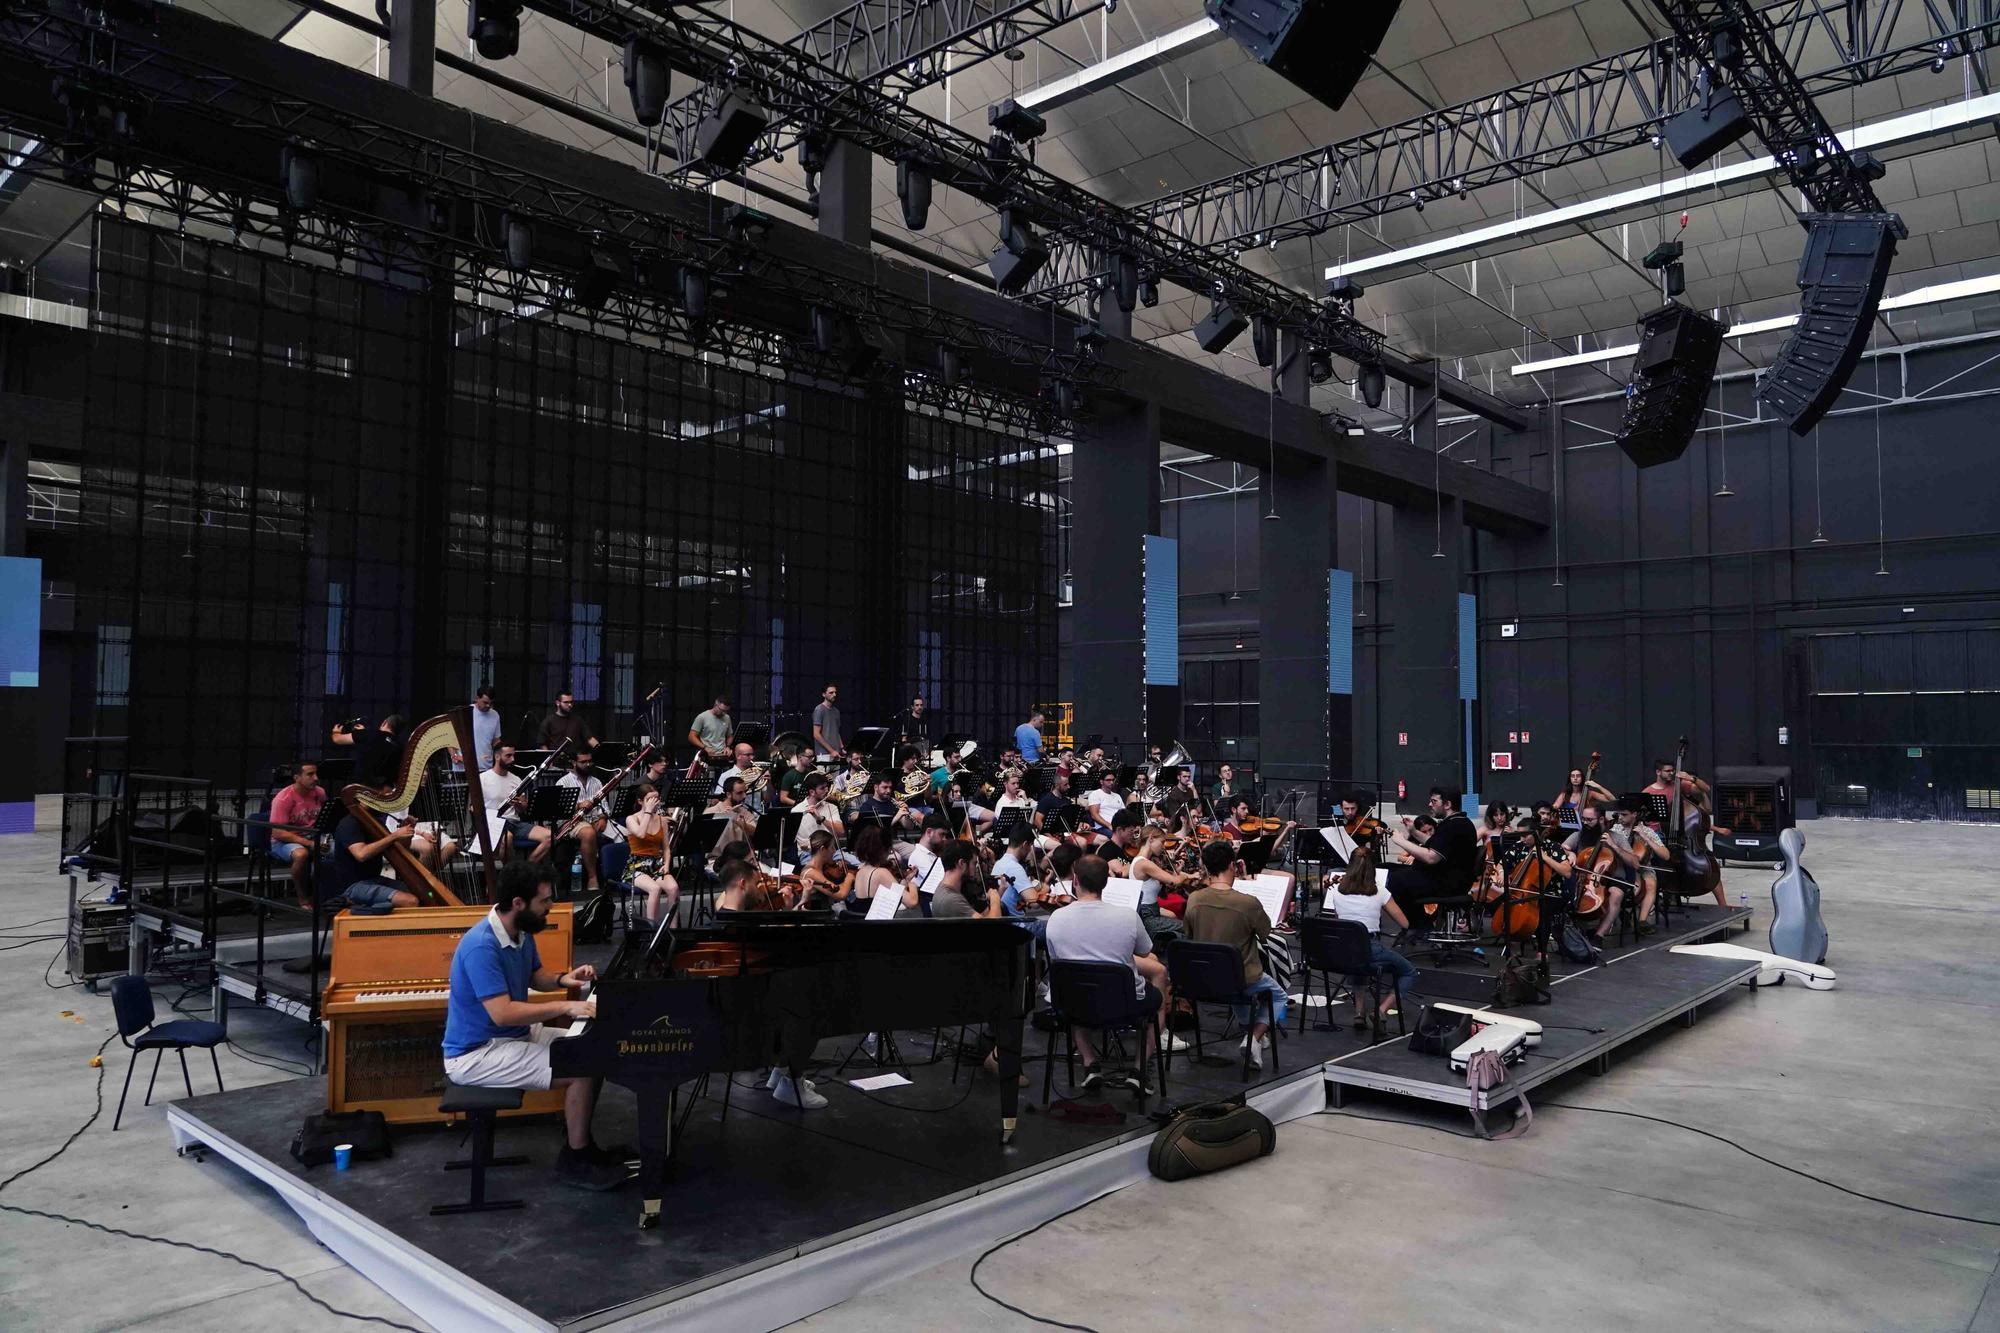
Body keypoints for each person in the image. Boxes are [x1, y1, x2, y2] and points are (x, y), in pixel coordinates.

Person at [440, 860, 622, 1190]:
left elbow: (535, 975)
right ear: (519, 903)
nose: (550, 908)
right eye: (545, 901)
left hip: (512, 1037)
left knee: (595, 1051)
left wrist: (565, 979)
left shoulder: (520, 931)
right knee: (583, 1065)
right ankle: (575, 1158)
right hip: (476, 1054)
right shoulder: (482, 945)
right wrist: (566, 1004)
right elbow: (503, 1014)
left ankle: (581, 1144)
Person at [1043, 855, 1168, 1094]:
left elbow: (1058, 960)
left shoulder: (1056, 918)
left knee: (1076, 993)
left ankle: (1090, 1063)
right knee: (1157, 1000)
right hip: (1123, 1005)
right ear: (1106, 883)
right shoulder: (1127, 917)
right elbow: (1146, 951)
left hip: (1075, 1004)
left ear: (1075, 881)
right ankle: (1139, 1069)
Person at [1182, 840, 1288, 1069]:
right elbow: (1266, 935)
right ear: (1232, 866)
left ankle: (1252, 1037)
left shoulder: (1194, 899)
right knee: (1278, 996)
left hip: (1202, 979)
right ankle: (1255, 1036)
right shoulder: (1248, 903)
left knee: (1241, 988)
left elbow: (1188, 935)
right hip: (1239, 979)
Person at [1324, 848, 1418, 1029]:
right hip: (1370, 947)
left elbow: (1341, 920)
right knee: (1409, 972)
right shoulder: (1380, 891)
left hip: (1341, 951)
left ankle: (1359, 1011)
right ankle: (1381, 1010)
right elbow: (1404, 923)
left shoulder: (1336, 890)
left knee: (1357, 960)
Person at [1384, 786, 1480, 926]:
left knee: (1393, 881)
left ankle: (1419, 926)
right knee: (1384, 869)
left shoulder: (1454, 826)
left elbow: (1431, 857)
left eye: (1434, 801)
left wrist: (1401, 841)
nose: (1430, 804)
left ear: (1447, 804)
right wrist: (1414, 832)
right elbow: (1434, 843)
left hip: (1448, 883)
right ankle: (1419, 924)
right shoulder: (1456, 823)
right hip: (1442, 877)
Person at [326, 809, 422, 913]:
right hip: (353, 886)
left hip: (375, 880)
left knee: (422, 894)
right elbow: (361, 854)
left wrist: (407, 831)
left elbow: (400, 850)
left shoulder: (376, 823)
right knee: (410, 901)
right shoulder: (349, 823)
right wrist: (394, 836)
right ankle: (360, 909)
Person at [1561, 804, 1625, 944]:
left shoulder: (1618, 837)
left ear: (1601, 819)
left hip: (1612, 875)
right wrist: (1570, 853)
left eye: (1589, 820)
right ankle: (1572, 931)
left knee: (1616, 894)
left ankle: (1599, 936)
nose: (1585, 823)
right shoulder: (1580, 834)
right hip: (1585, 876)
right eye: (1583, 819)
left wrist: (1613, 846)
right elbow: (1562, 848)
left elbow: (1635, 862)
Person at [620, 783, 679, 925]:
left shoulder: (661, 820)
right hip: (637, 865)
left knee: (673, 888)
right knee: (655, 888)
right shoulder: (631, 819)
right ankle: (650, 930)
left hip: (655, 864)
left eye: (656, 799)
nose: (654, 803)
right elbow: (640, 833)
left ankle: (673, 929)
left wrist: (666, 864)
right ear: (640, 801)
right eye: (650, 799)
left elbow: (666, 848)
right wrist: (647, 812)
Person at [1608, 794, 1669, 933]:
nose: (1620, 818)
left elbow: (1666, 855)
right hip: (1620, 867)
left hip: (1643, 868)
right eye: (1619, 815)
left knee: (1651, 884)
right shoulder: (1616, 829)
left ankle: (1642, 920)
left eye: (1624, 815)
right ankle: (1619, 911)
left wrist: (1645, 837)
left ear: (1634, 814)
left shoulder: (1647, 831)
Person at [268, 762, 325, 907]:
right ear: (297, 778)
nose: (316, 778)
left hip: (312, 837)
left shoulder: (320, 793)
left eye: (316, 773)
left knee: (345, 848)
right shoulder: (283, 799)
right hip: (284, 840)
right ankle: (303, 897)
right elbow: (278, 832)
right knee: (301, 855)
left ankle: (335, 894)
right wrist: (310, 843)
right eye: (310, 775)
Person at [481, 741, 546, 865]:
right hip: (494, 823)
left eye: (513, 755)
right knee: (508, 838)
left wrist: (520, 805)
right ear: (497, 757)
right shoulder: (483, 779)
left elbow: (523, 810)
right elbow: (473, 808)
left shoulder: (516, 779)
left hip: (514, 823)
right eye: (508, 756)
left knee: (549, 837)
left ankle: (526, 870)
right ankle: (511, 875)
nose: (512, 759)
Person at [553, 747, 607, 894]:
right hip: (572, 822)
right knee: (589, 833)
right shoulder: (563, 782)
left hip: (595, 819)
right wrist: (578, 805)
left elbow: (604, 807)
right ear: (573, 763)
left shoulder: (596, 782)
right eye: (583, 762)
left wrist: (603, 818)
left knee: (627, 834)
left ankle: (617, 879)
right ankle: (592, 877)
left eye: (590, 761)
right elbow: (559, 811)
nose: (588, 765)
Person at [846, 824, 917, 918]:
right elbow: (912, 902)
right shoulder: (881, 873)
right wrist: (913, 883)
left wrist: (906, 880)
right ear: (884, 849)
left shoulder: (860, 871)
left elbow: (896, 894)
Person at [929, 839, 1001, 919]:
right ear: (962, 863)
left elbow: (981, 917)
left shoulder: (944, 889)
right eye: (974, 863)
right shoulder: (952, 900)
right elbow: (993, 925)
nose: (976, 867)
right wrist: (995, 899)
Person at [331, 714, 406, 789]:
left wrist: (336, 732)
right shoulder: (400, 747)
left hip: (363, 786)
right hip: (385, 790)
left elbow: (337, 739)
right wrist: (363, 732)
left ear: (384, 722)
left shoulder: (368, 734)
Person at [793, 771, 845, 860]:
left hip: (832, 852)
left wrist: (821, 819)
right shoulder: (796, 811)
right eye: (822, 788)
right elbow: (790, 841)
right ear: (812, 792)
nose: (827, 790)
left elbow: (841, 832)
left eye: (826, 787)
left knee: (857, 863)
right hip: (808, 854)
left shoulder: (832, 807)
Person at [704, 777, 761, 856]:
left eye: (745, 792)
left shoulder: (745, 812)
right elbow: (705, 840)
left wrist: (743, 824)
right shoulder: (711, 812)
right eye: (739, 793)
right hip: (717, 860)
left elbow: (756, 832)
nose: (744, 796)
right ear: (728, 794)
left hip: (742, 859)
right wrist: (721, 819)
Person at [797, 830, 852, 911]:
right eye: (832, 847)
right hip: (817, 919)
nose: (834, 851)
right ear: (822, 849)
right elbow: (840, 894)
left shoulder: (823, 868)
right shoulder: (811, 873)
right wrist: (849, 878)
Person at [713, 741, 768, 815]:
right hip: (735, 814)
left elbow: (767, 799)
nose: (752, 757)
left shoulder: (759, 773)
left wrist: (769, 783)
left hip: (757, 815)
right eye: (748, 755)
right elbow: (716, 800)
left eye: (752, 754)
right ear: (738, 756)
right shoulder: (726, 775)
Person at [538, 690, 597, 754]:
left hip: (575, 761)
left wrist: (602, 751)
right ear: (558, 703)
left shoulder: (578, 720)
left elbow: (590, 739)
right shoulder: (548, 721)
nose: (569, 705)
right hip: (556, 760)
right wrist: (549, 760)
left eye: (571, 702)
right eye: (566, 702)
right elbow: (542, 743)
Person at [688, 694, 734, 765]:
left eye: (726, 711)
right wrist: (705, 747)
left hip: (722, 755)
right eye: (722, 710)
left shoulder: (727, 718)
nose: (723, 713)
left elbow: (730, 735)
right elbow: (691, 737)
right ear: (716, 705)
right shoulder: (702, 717)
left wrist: (728, 747)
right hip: (706, 755)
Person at [468, 685, 502, 773]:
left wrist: (501, 753)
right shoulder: (467, 712)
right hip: (466, 767)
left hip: (486, 766)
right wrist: (454, 756)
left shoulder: (495, 715)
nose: (488, 705)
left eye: (491, 703)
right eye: (485, 702)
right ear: (477, 698)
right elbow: (451, 736)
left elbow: (496, 740)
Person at [1081, 768, 1126, 835]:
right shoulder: (1095, 794)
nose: (1111, 782)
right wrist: (1109, 825)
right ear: (1101, 782)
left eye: (1113, 780)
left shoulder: (1117, 796)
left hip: (1119, 827)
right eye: (1108, 780)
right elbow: (1094, 815)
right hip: (1102, 827)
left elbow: (1124, 813)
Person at [811, 682, 844, 760]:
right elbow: (816, 734)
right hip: (823, 754)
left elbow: (836, 732)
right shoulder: (819, 710)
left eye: (835, 692)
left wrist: (841, 747)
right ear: (823, 694)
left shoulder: (836, 711)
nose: (834, 695)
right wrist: (831, 750)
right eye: (831, 693)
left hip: (836, 753)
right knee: (824, 773)